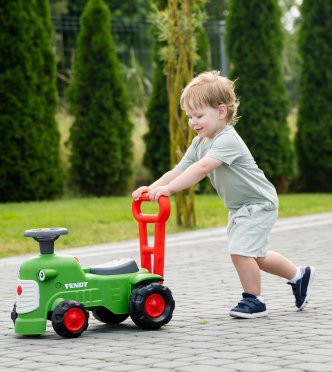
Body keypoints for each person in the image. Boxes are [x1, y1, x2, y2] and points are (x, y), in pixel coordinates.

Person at [132, 71, 314, 318]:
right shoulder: (199, 143)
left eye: (198, 116)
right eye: (189, 116)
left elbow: (202, 168)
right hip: (241, 207)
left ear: (220, 112)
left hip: (258, 203)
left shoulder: (227, 139)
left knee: (241, 252)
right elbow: (178, 170)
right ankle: (299, 276)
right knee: (256, 256)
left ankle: (254, 301)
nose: (193, 122)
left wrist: (169, 190)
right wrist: (152, 188)